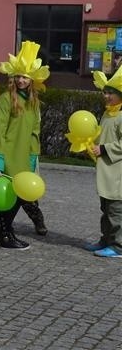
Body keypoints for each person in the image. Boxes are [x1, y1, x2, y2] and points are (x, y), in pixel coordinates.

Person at [0, 41, 50, 250]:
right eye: (18, 76)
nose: (21, 80)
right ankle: (5, 235)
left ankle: (5, 233)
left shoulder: (33, 103)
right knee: (10, 198)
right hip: (7, 156)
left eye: (25, 77)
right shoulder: (6, 99)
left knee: (19, 196)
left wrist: (33, 158)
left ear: (32, 80)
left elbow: (35, 134)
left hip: (23, 158)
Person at [85, 66, 122, 258]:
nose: (106, 96)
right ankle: (105, 239)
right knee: (105, 209)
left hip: (118, 173)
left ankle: (118, 246)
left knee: (116, 211)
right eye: (105, 92)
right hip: (106, 170)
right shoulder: (108, 114)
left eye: (111, 93)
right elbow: (102, 136)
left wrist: (104, 149)